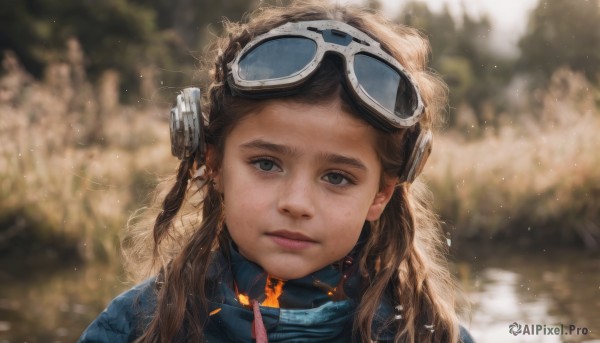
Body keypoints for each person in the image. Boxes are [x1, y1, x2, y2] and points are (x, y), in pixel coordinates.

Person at [78, 1, 475, 342]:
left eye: (337, 177)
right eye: (266, 164)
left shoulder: (427, 334)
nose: (296, 204)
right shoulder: (137, 327)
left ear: (380, 195)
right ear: (212, 163)